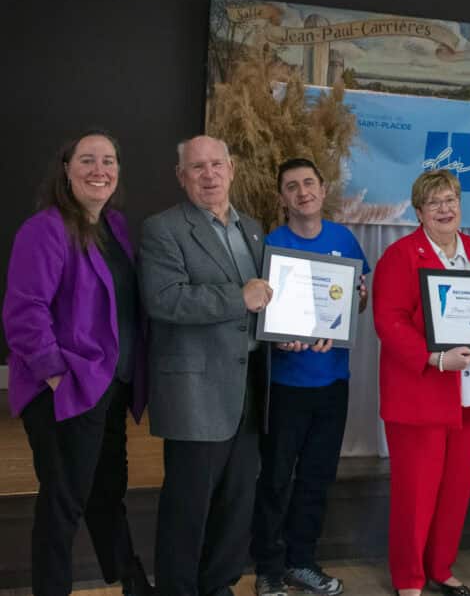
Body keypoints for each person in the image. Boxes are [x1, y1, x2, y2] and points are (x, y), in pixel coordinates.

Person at [2, 130, 151, 596]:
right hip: (67, 390)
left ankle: (132, 582)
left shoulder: (115, 227)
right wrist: (56, 377)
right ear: (66, 169)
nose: (99, 170)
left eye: (108, 160)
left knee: (108, 493)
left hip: (111, 387)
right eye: (87, 160)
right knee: (63, 505)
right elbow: (24, 312)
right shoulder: (45, 229)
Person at [139, 135, 273, 596]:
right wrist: (238, 298)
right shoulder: (162, 229)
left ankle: (218, 586)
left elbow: (267, 301)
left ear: (232, 169)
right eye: (197, 167)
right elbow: (164, 300)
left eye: (217, 164)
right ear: (182, 177)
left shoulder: (252, 228)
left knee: (237, 503)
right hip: (195, 392)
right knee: (188, 508)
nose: (209, 174)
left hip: (249, 386)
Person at [372, 169, 470, 596]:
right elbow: (389, 322)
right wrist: (435, 359)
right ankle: (409, 579)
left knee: (455, 491)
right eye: (434, 202)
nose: (445, 208)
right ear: (419, 212)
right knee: (416, 495)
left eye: (451, 199)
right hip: (421, 395)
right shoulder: (401, 255)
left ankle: (440, 567)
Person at [250, 158, 370, 596]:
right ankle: (268, 568)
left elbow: (358, 300)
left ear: (322, 189)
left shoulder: (344, 239)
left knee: (317, 478)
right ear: (282, 197)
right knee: (276, 479)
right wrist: (278, 336)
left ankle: (302, 562)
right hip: (286, 385)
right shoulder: (270, 244)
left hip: (333, 381)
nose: (302, 192)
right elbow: (260, 310)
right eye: (291, 186)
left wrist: (358, 298)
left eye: (308, 183)